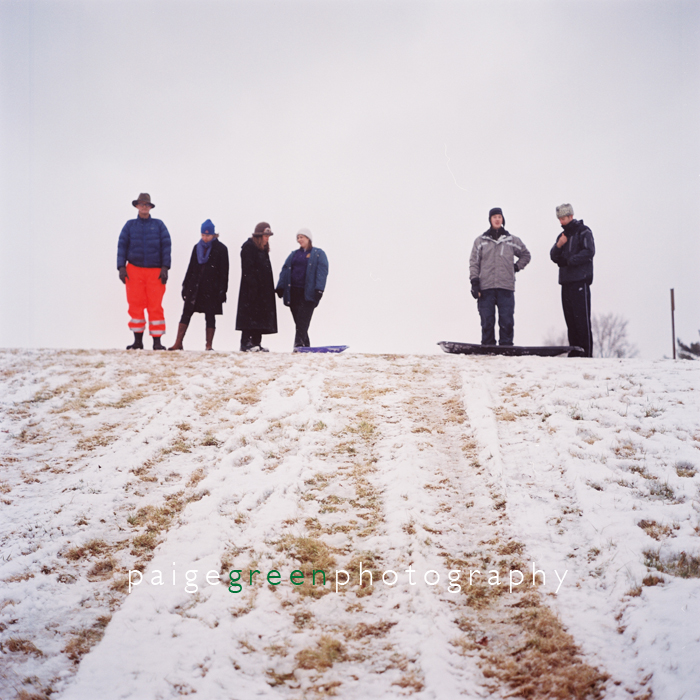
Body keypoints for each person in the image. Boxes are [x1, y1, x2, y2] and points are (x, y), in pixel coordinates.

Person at [117, 193, 171, 350]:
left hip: (155, 271)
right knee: (135, 305)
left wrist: (165, 267)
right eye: (141, 204)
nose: (144, 207)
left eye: (147, 204)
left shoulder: (159, 225)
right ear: (137, 206)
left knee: (155, 306)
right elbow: (122, 246)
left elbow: (166, 246)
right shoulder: (129, 226)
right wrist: (121, 267)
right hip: (134, 270)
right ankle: (137, 341)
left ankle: (157, 342)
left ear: (150, 207)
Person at [469, 207, 531, 346]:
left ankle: (506, 347)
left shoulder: (512, 240)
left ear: (503, 219)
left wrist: (515, 267)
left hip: (506, 286)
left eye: (499, 217)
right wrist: (474, 283)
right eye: (494, 217)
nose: (497, 219)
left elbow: (526, 255)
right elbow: (474, 263)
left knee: (507, 321)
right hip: (486, 287)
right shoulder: (480, 241)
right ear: (490, 220)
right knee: (487, 321)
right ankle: (488, 347)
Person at [168, 219, 229, 352]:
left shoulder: (221, 249)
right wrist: (185, 285)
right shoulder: (197, 247)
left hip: (212, 289)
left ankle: (209, 345)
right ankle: (178, 342)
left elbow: (224, 272)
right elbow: (191, 267)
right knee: (186, 313)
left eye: (207, 235)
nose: (205, 238)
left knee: (210, 315)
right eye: (203, 235)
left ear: (213, 234)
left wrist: (222, 290)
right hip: (195, 286)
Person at [550, 203, 595, 357]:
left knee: (582, 320)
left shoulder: (584, 231)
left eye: (563, 218)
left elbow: (589, 251)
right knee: (570, 321)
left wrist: (570, 260)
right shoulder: (562, 236)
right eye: (559, 219)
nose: (561, 221)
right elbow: (553, 256)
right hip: (566, 282)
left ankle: (586, 354)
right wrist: (559, 245)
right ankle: (574, 352)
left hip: (580, 281)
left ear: (571, 216)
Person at [275, 228, 329, 349]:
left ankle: (298, 344)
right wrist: (280, 286)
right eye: (298, 237)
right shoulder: (293, 254)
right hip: (293, 292)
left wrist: (319, 289)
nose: (299, 240)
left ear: (308, 238)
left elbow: (322, 272)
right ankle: (305, 346)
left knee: (303, 320)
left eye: (301, 237)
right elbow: (285, 270)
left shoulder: (318, 254)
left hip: (308, 293)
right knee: (299, 321)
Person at [235, 222, 278, 352]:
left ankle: (256, 342)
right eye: (265, 236)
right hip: (251, 289)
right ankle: (245, 343)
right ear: (259, 235)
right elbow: (248, 269)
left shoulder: (263, 249)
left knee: (260, 316)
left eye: (268, 236)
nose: (267, 238)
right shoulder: (248, 247)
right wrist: (253, 286)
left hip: (263, 290)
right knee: (249, 315)